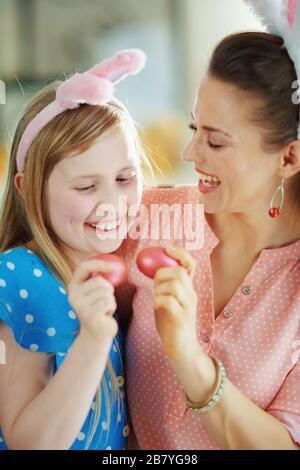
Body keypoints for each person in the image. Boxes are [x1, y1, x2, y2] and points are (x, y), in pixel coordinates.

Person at [120, 28, 300, 450]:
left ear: (289, 158)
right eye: (194, 127)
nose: (190, 153)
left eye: (215, 141)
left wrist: (189, 359)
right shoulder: (147, 218)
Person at [0, 49, 148, 450]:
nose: (112, 203)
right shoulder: (18, 277)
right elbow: (28, 443)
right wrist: (94, 338)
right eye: (85, 186)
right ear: (26, 189)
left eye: (124, 177)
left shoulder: (110, 268)